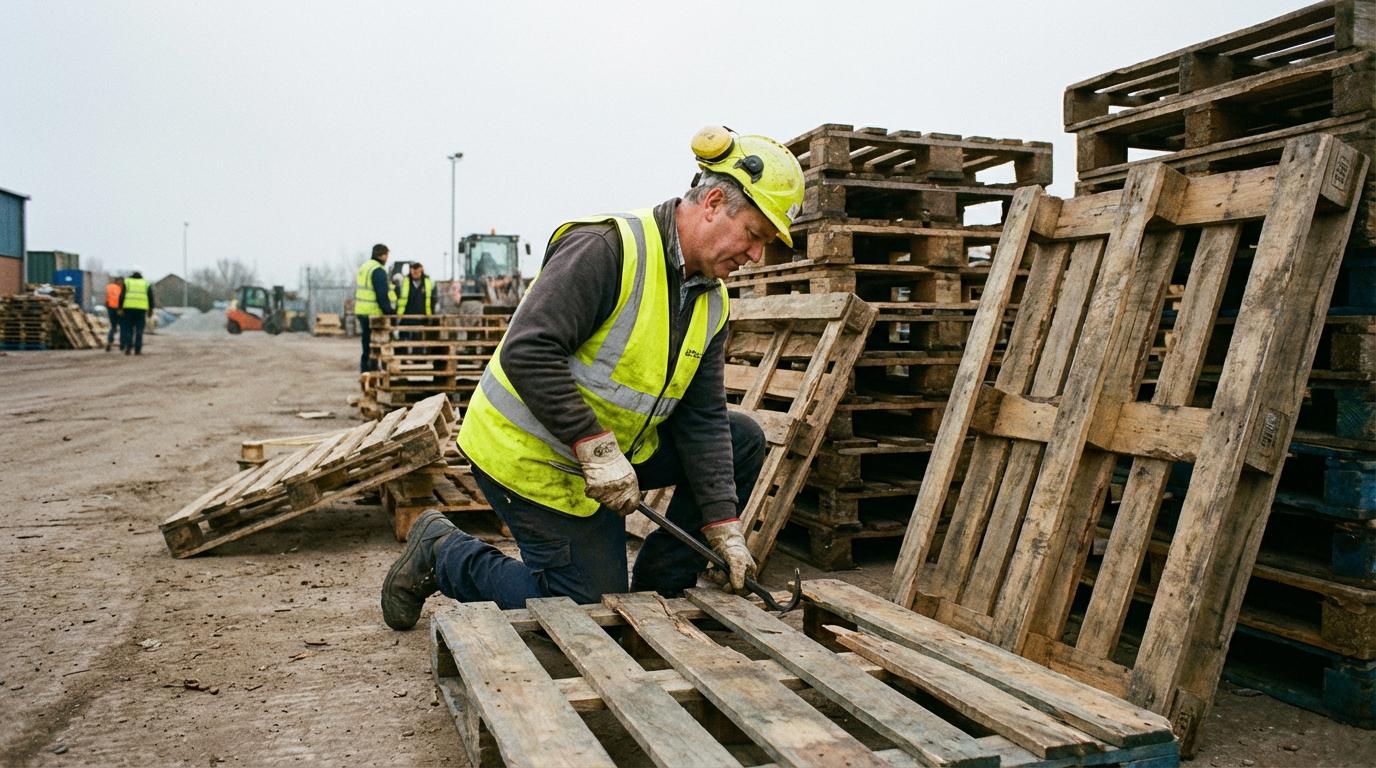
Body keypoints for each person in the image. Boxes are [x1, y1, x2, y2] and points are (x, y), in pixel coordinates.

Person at [381, 126, 804, 630]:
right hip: (530, 455)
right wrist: (596, 448)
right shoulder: (607, 249)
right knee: (588, 611)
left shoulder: (711, 300)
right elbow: (528, 350)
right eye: (754, 235)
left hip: (609, 459)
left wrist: (723, 525)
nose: (756, 255)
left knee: (742, 440)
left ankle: (660, 592)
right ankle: (444, 552)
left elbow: (703, 418)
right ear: (713, 202)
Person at [354, 243, 396, 373]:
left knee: (366, 342)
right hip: (373, 313)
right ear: (381, 255)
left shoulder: (365, 267)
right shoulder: (378, 270)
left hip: (362, 311)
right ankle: (371, 370)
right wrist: (389, 312)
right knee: (377, 343)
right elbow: (381, 294)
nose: (387, 258)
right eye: (386, 255)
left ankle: (365, 369)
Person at [119, 270, 154, 355]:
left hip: (128, 309)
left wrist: (120, 308)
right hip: (141, 309)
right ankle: (137, 350)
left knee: (128, 329)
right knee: (139, 330)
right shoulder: (145, 283)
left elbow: (122, 296)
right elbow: (150, 297)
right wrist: (150, 309)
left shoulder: (127, 282)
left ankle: (128, 348)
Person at [104, 276, 123, 352]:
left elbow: (106, 298)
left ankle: (110, 341)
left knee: (113, 327)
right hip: (119, 309)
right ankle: (122, 344)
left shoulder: (109, 287)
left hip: (111, 309)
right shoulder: (122, 288)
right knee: (122, 327)